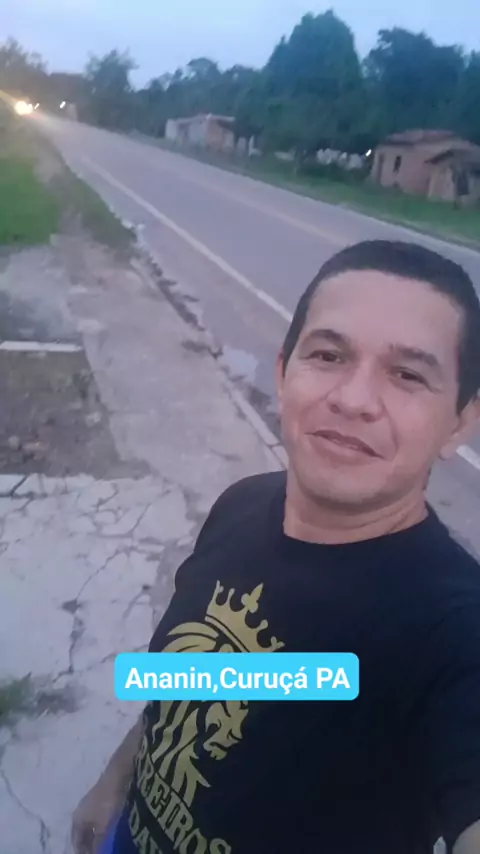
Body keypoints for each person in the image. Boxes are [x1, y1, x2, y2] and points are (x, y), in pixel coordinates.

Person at [72, 240, 480, 854]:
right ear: (285, 372)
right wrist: (116, 777)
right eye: (329, 355)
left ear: (461, 422)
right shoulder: (240, 505)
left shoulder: (455, 632)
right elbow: (187, 680)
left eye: (407, 375)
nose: (353, 399)